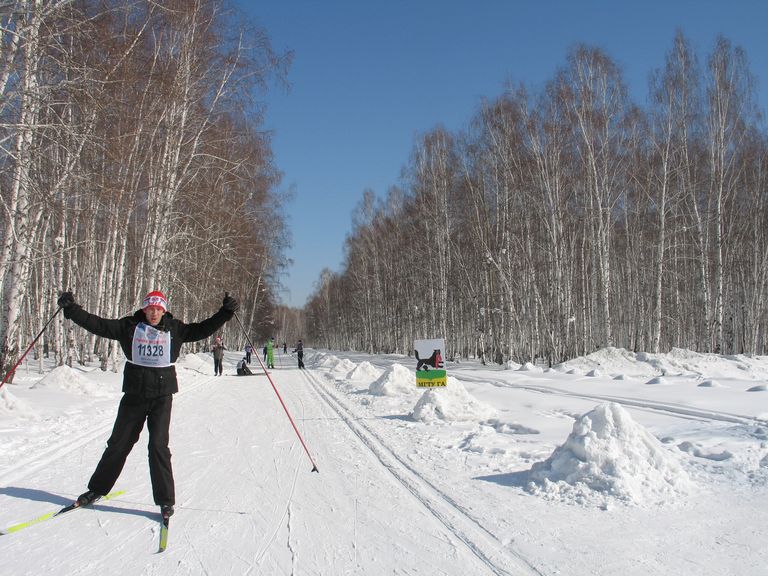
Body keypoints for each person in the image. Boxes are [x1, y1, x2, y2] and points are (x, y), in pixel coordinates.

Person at [56, 289, 239, 520]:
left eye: (158, 309)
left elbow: (203, 329)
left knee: (158, 447)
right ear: (144, 309)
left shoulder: (175, 329)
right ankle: (97, 489)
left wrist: (225, 313)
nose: (154, 313)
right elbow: (99, 325)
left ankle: (165, 501)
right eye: (150, 308)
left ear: (164, 310)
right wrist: (72, 310)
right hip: (134, 395)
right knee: (118, 444)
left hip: (162, 397)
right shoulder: (129, 327)